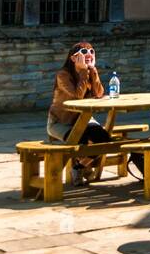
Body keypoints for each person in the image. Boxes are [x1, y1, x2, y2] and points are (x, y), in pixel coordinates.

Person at [47, 41, 114, 185]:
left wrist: (93, 70)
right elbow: (76, 97)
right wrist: (83, 71)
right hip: (61, 122)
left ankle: (79, 167)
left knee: (104, 139)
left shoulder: (89, 72)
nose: (88, 55)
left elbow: (99, 93)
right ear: (73, 58)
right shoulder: (63, 75)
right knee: (81, 142)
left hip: (83, 120)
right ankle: (83, 170)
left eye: (91, 51)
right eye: (84, 52)